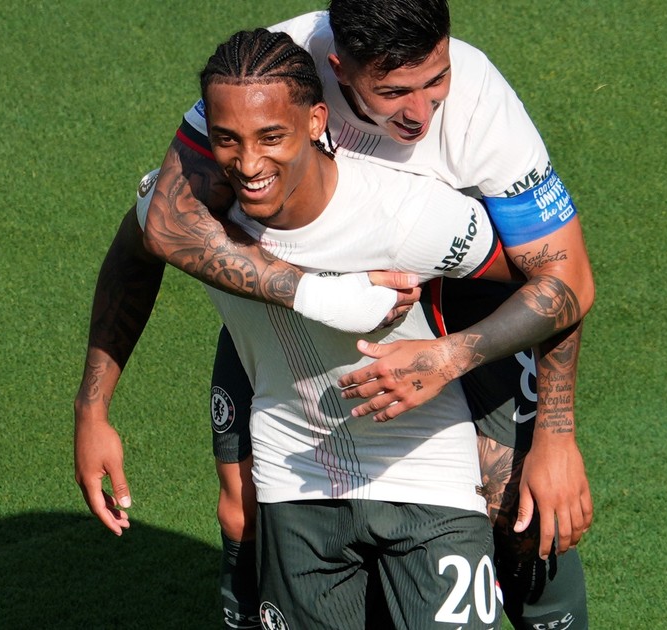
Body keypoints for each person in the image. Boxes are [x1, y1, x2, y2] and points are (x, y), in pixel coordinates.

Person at [74, 1, 595, 628]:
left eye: (436, 80)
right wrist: (322, 295)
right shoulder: (267, 74)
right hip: (284, 306)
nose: (422, 112)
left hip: (459, 290)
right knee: (243, 507)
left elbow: (563, 279)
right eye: (393, 92)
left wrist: (552, 435)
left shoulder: (478, 107)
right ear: (337, 71)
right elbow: (163, 223)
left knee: (523, 509)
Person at [206, 27, 515, 627]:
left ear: (316, 120)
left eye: (271, 136)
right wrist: (93, 409)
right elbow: (136, 255)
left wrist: (455, 359)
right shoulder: (193, 217)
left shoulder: (411, 216)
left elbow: (551, 282)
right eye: (227, 139)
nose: (248, 163)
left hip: (430, 476)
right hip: (296, 483)